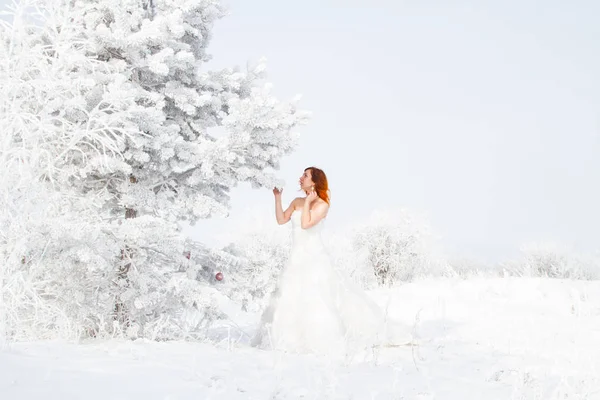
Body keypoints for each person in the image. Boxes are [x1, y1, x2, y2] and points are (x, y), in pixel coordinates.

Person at [251, 167, 412, 359]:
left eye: (305, 176)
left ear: (315, 181)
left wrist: (310, 202)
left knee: (318, 296)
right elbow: (280, 220)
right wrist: (277, 198)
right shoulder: (296, 202)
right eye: (302, 175)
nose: (300, 178)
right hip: (296, 257)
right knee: (291, 295)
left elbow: (306, 224)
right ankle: (290, 339)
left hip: (314, 256)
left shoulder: (322, 204)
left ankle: (324, 337)